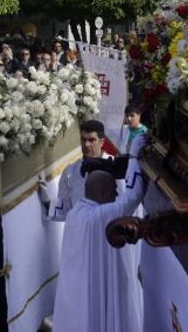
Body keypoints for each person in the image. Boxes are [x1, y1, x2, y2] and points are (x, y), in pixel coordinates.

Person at [52, 133, 148, 332]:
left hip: (78, 293)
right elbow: (133, 195)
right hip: (93, 288)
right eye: (114, 190)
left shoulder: (76, 213)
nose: (116, 194)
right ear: (103, 193)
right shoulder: (100, 216)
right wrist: (134, 155)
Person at [39, 120, 109, 221]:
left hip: (105, 232)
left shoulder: (115, 169)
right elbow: (67, 209)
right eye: (83, 139)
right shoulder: (70, 171)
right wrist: (48, 201)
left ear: (102, 142)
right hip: (79, 232)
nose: (86, 144)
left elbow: (125, 206)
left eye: (91, 140)